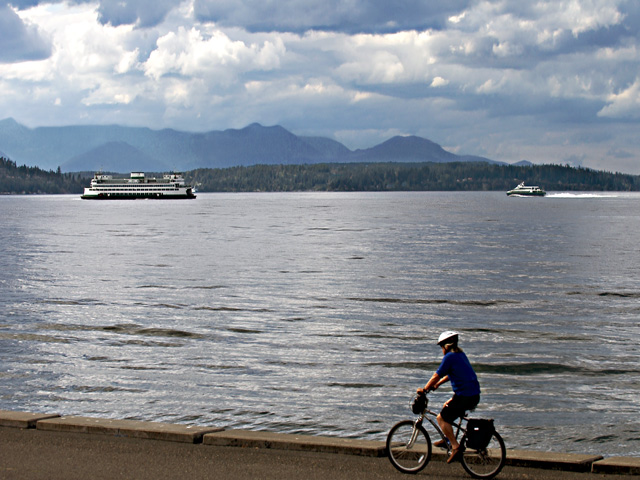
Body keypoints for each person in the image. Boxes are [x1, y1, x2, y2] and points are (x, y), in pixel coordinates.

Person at [417, 330, 480, 464]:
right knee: (447, 406)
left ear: (446, 346)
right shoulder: (460, 354)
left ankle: (455, 446)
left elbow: (436, 375)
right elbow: (450, 373)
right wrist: (438, 385)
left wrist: (424, 389)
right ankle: (447, 439)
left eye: (441, 347)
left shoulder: (449, 357)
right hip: (473, 395)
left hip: (465, 396)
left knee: (441, 418)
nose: (441, 350)